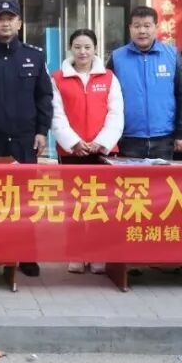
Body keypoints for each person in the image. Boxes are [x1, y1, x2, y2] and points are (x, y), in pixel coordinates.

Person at [0, 0, 52, 278]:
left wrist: (42, 131)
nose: (5, 23)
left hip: (25, 140)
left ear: (19, 23)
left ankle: (27, 255)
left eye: (11, 18)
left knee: (26, 199)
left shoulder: (34, 56)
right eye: (0, 18)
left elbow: (44, 96)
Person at [50, 29, 123, 275]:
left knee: (102, 203)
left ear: (95, 49)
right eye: (78, 47)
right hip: (72, 152)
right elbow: (56, 115)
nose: (82, 52)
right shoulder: (58, 78)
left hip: (103, 152)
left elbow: (116, 114)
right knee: (74, 203)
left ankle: (99, 253)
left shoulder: (109, 78)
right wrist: (73, 142)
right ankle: (76, 253)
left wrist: (102, 142)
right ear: (70, 49)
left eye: (87, 47)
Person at [106, 6, 182, 160]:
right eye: (137, 26)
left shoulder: (172, 55)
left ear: (156, 27)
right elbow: (105, 98)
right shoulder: (117, 57)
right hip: (127, 138)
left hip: (164, 138)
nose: (142, 31)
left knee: (163, 176)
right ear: (130, 28)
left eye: (147, 26)